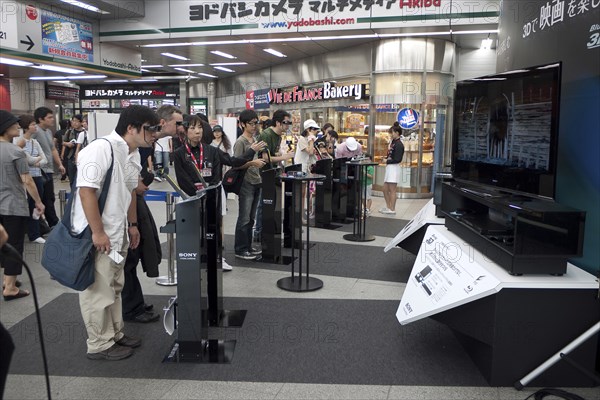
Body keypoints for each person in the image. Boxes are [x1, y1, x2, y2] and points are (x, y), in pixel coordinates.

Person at [72, 105, 160, 360]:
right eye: (150, 129)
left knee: (114, 285)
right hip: (99, 234)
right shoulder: (100, 149)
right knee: (97, 289)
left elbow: (131, 191)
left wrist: (132, 226)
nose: (154, 134)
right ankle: (99, 343)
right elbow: (86, 191)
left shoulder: (132, 153)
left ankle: (115, 333)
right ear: (131, 128)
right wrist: (98, 233)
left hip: (118, 231)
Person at [0, 110, 45, 301]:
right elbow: (27, 180)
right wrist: (38, 201)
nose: (18, 126)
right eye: (14, 124)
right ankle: (9, 288)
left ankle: (7, 280)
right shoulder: (15, 152)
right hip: (13, 206)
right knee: (14, 245)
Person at [233, 110, 264, 260]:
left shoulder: (255, 139)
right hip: (246, 182)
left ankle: (248, 246)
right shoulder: (241, 142)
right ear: (243, 124)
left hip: (257, 180)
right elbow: (236, 165)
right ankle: (240, 249)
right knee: (244, 218)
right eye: (251, 123)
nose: (254, 126)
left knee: (251, 218)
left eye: (256, 123)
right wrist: (252, 162)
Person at [16, 114, 48, 244]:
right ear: (25, 127)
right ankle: (26, 231)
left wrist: (36, 162)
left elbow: (45, 159)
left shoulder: (35, 142)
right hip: (24, 178)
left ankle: (35, 233)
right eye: (33, 124)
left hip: (37, 176)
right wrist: (35, 160)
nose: (35, 127)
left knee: (36, 205)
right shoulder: (18, 141)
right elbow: (28, 159)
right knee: (25, 205)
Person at [32, 106, 65, 227]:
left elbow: (52, 149)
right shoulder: (34, 131)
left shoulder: (48, 131)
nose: (52, 119)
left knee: (50, 197)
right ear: (41, 119)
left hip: (49, 170)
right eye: (49, 117)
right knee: (41, 198)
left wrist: (60, 164)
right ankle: (51, 223)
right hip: (38, 170)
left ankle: (50, 223)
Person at [295, 119, 319, 219]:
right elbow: (310, 152)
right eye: (314, 129)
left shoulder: (307, 140)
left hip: (305, 168)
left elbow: (312, 153)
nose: (316, 131)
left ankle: (300, 216)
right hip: (300, 168)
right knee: (301, 193)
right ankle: (298, 216)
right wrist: (311, 140)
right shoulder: (302, 139)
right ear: (308, 130)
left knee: (304, 193)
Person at [380, 122, 405, 215]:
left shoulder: (399, 144)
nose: (391, 134)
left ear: (397, 133)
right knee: (385, 189)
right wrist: (386, 159)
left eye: (392, 132)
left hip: (394, 168)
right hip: (390, 167)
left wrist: (387, 161)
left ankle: (392, 209)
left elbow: (398, 159)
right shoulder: (393, 142)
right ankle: (388, 206)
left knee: (392, 189)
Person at [62, 114, 85, 184]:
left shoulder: (85, 132)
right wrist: (68, 144)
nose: (74, 123)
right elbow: (63, 142)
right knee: (72, 177)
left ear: (81, 122)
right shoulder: (69, 132)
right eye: (73, 121)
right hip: (71, 156)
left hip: (83, 156)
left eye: (76, 121)